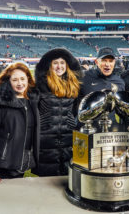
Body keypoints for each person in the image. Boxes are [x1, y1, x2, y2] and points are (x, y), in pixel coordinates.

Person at [0, 62, 40, 182]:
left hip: (25, 158)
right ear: (8, 81)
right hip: (6, 161)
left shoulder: (32, 102)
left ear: (28, 79)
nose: (20, 83)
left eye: (22, 79)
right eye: (15, 80)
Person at [33, 48, 81, 177]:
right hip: (45, 141)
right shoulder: (39, 86)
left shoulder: (74, 84)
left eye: (62, 63)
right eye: (55, 63)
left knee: (67, 181)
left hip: (68, 140)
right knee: (46, 184)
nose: (59, 66)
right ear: (49, 65)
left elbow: (76, 110)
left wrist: (71, 122)